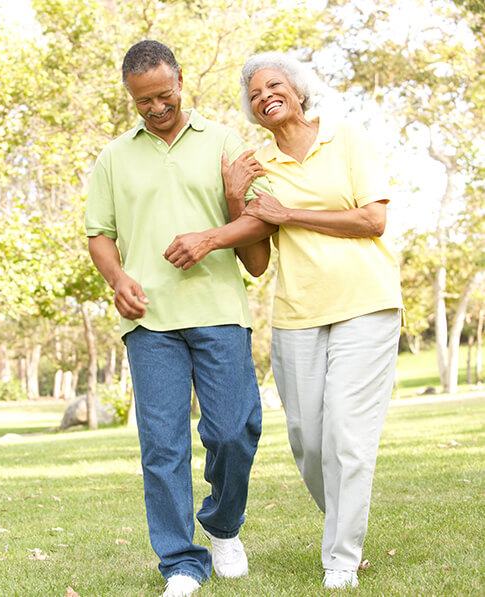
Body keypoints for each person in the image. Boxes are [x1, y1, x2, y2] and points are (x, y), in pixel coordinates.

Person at [171, 51, 403, 589]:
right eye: (253, 94)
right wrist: (235, 198)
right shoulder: (260, 168)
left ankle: (341, 558)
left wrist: (290, 214)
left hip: (366, 304)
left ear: (298, 91)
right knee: (309, 442)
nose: (264, 96)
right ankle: (345, 523)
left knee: (346, 435)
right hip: (298, 314)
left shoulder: (344, 138)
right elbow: (256, 263)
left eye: (273, 85)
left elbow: (373, 219)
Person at [85, 40, 274, 597]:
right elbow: (100, 234)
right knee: (162, 447)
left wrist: (215, 228)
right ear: (131, 98)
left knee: (234, 430)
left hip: (218, 311)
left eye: (163, 95)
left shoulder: (224, 142)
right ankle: (181, 564)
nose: (155, 108)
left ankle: (221, 523)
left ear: (181, 81)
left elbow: (261, 228)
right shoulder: (113, 157)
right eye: (142, 101)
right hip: (150, 324)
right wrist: (118, 281)